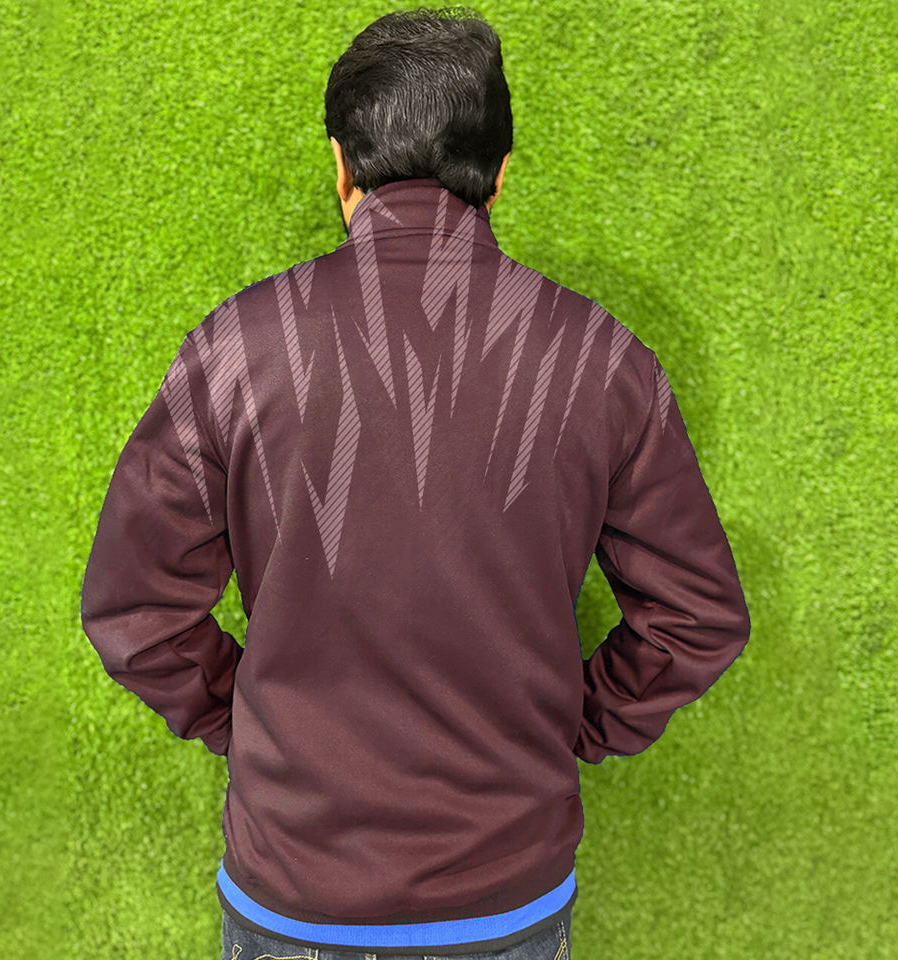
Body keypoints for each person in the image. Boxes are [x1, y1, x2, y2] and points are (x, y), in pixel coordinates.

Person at [79, 6, 752, 960]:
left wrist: (255, 726)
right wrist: (574, 723)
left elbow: (133, 609)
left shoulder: (235, 348)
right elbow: (698, 619)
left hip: (293, 887)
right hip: (508, 892)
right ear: (500, 172)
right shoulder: (604, 360)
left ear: (341, 167)